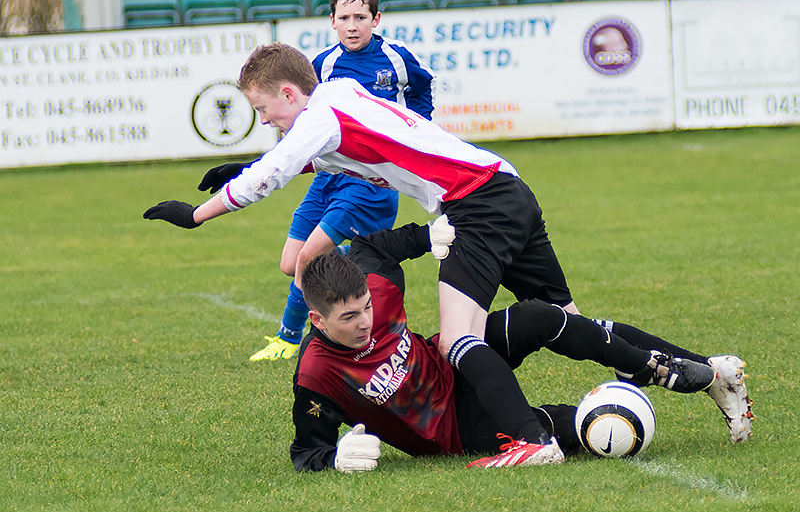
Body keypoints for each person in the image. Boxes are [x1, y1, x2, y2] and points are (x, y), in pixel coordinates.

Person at [143, 42, 752, 466]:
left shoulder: (317, 117)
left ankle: (530, 442)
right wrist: (258, 160)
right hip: (508, 186)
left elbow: (275, 172)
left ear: (285, 91)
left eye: (263, 110)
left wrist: (198, 214)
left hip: (472, 206)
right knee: (567, 319)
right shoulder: (341, 93)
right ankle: (709, 371)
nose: (265, 121)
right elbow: (324, 150)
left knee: (459, 343)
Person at [290, 220, 750, 471]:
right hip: (456, 429)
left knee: (540, 316)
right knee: (593, 429)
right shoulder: (317, 372)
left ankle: (688, 369)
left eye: (367, 308)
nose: (366, 322)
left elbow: (374, 246)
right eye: (349, 318)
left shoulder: (374, 284)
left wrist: (424, 236)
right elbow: (306, 451)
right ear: (317, 320)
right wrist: (334, 457)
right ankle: (545, 435)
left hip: (450, 358)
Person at [199, 0, 435, 361]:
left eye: (361, 17)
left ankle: (289, 338)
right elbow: (305, 125)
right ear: (332, 21)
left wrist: (416, 127)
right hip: (327, 174)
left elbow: (424, 86)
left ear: (376, 19)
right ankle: (361, 253)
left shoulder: (396, 58)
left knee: (308, 259)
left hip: (367, 180)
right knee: (290, 263)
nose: (353, 25)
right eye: (345, 18)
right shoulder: (321, 64)